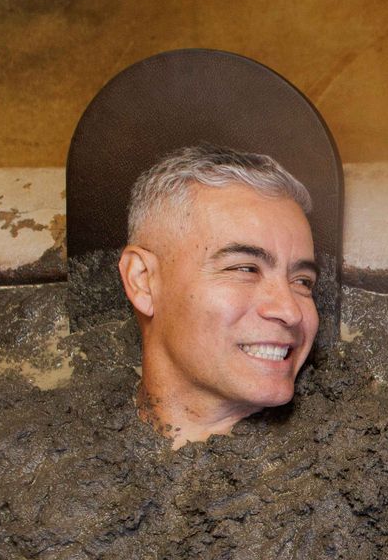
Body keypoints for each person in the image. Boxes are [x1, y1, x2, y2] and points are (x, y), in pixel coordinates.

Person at [118, 144, 320, 447]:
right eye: (245, 269)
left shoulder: (371, 457)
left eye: (302, 281)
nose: (290, 311)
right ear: (143, 281)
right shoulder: (45, 452)